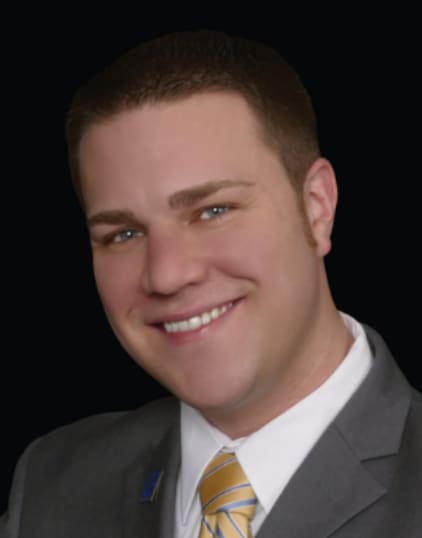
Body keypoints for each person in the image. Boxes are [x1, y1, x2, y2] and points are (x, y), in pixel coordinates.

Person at [1, 30, 421, 538]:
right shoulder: (54, 481)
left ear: (316, 207)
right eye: (123, 234)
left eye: (213, 211)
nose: (166, 274)